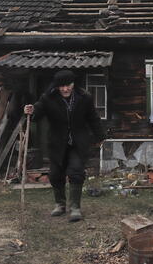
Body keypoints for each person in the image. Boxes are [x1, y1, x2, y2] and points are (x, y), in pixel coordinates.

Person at [24, 70, 105, 222]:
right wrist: (31, 110)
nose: (65, 89)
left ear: (73, 84)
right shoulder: (48, 98)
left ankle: (75, 207)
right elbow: (38, 109)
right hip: (57, 142)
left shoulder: (84, 97)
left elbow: (93, 118)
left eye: (68, 85)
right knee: (55, 174)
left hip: (78, 142)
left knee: (76, 172)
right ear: (57, 86)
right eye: (62, 86)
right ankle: (60, 205)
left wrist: (100, 136)